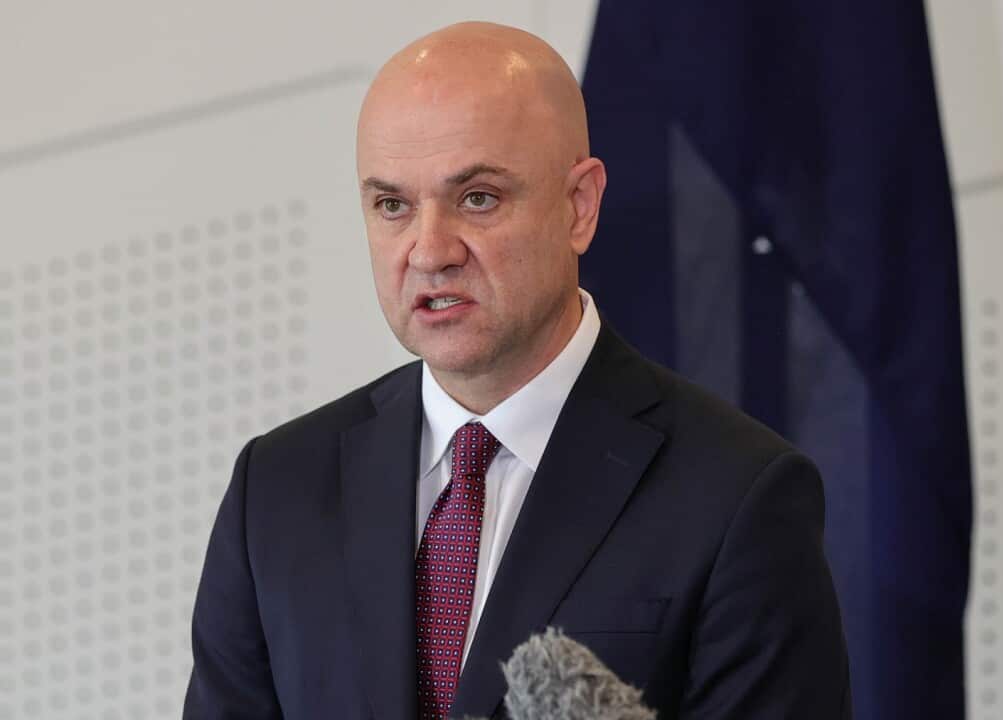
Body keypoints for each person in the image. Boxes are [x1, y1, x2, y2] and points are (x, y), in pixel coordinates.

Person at [183, 21, 852, 720]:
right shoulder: (279, 490)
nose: (429, 249)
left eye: (477, 198)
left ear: (578, 207)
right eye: (393, 205)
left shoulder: (739, 496)